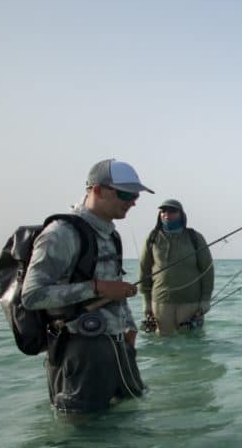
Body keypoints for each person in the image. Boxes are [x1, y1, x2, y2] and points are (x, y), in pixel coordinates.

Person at [21, 159, 151, 413]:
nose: (133, 201)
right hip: (80, 351)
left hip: (118, 348)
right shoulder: (60, 233)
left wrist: (129, 328)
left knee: (130, 417)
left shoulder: (111, 235)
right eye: (125, 194)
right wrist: (96, 287)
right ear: (97, 190)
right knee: (83, 429)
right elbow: (32, 295)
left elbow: (114, 290)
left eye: (136, 195)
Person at [138, 199, 214, 336]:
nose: (167, 214)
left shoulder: (195, 237)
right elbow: (144, 270)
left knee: (191, 342)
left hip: (191, 302)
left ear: (181, 215)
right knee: (162, 343)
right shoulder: (153, 237)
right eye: (163, 211)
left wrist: (205, 300)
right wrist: (146, 301)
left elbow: (207, 270)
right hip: (160, 302)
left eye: (172, 211)